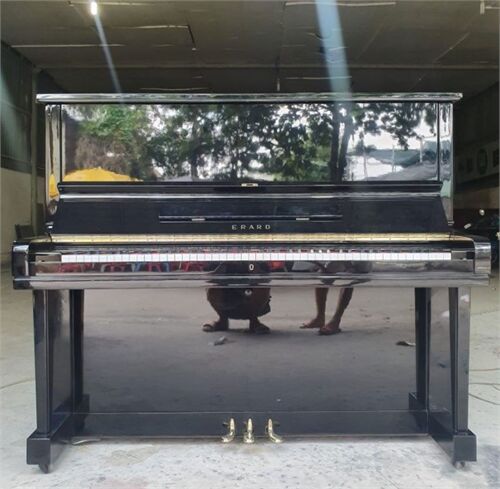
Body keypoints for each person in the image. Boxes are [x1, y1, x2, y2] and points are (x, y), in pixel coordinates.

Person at [202, 287, 271, 334]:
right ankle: (222, 320)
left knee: (261, 283)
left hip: (250, 290)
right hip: (227, 290)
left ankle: (254, 321)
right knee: (212, 286)